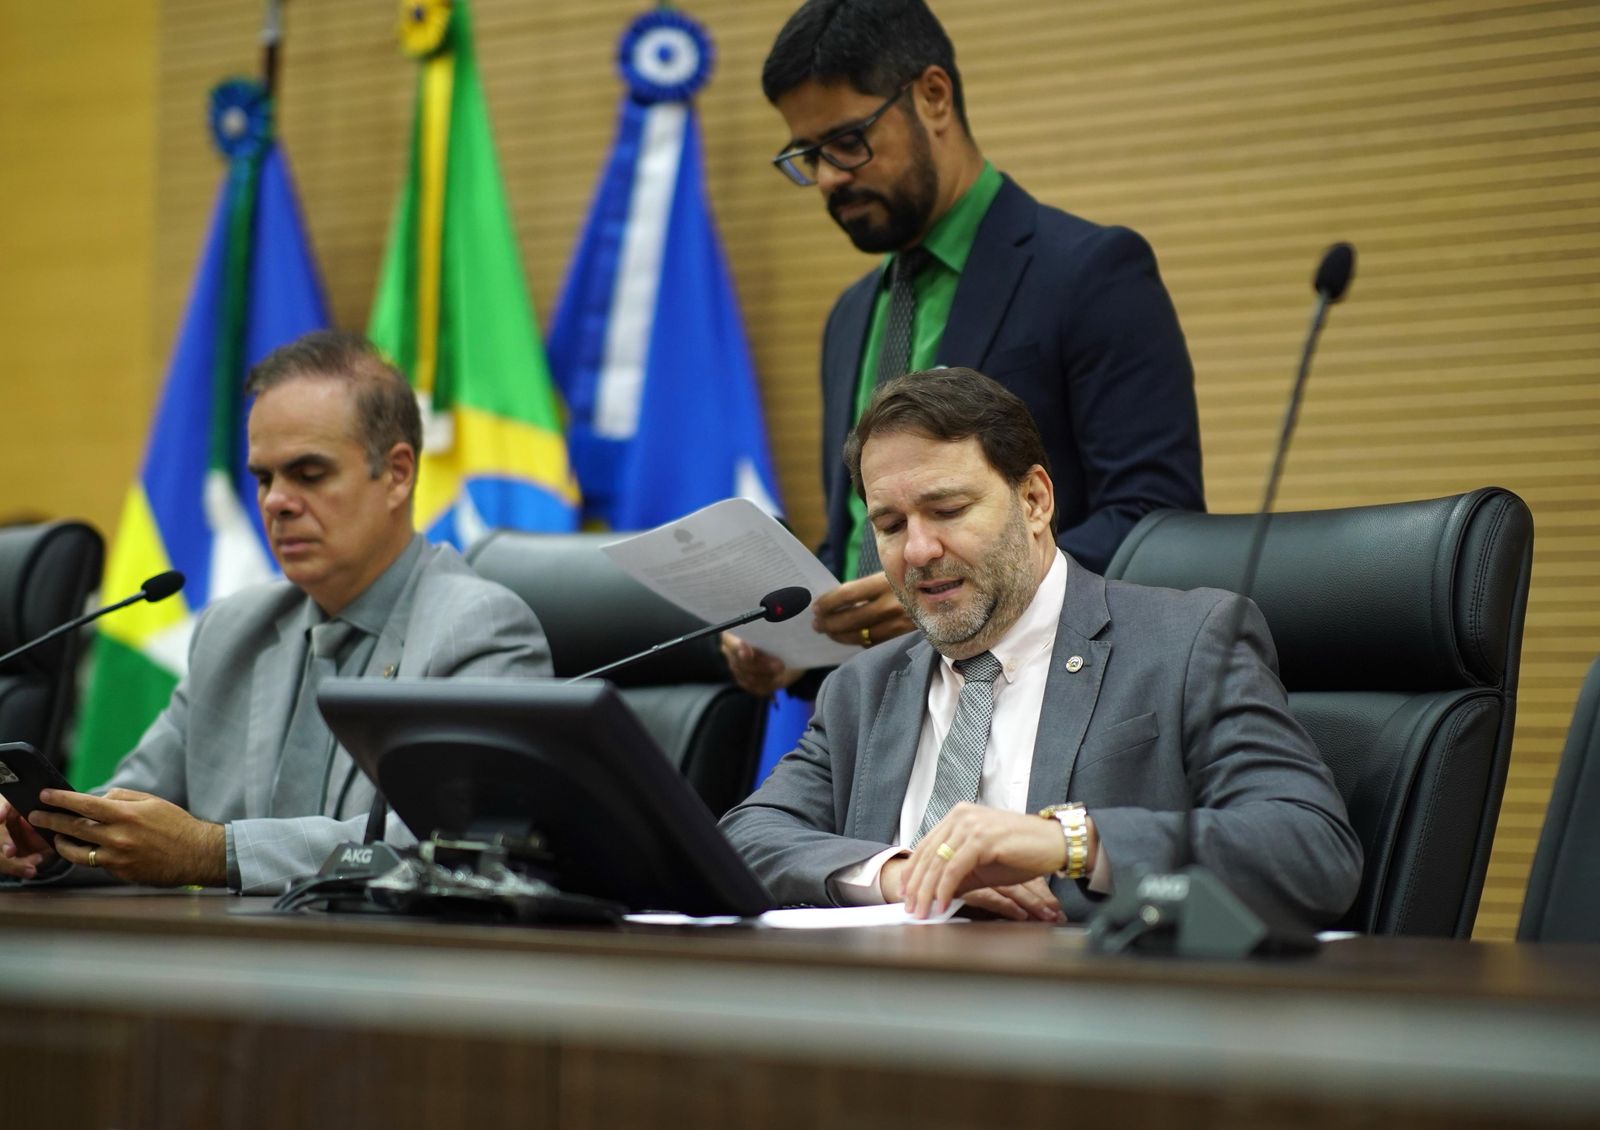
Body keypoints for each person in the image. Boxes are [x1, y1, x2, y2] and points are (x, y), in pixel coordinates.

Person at [719, 368, 1360, 927]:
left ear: (1034, 501)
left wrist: (1067, 840)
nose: (917, 550)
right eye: (890, 525)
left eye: (948, 510)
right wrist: (900, 874)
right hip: (886, 1006)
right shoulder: (864, 685)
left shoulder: (1188, 642)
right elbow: (743, 838)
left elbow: (1313, 851)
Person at [723, 0, 1205, 698]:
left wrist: (952, 585)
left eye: (848, 141)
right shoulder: (851, 315)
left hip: (1048, 700)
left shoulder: (1090, 273)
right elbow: (856, 539)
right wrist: (797, 643)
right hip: (872, 715)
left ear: (933, 96)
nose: (828, 177)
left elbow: (1157, 523)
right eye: (808, 155)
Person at [0, 331, 553, 894]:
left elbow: (454, 843)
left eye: (308, 474)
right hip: (233, 946)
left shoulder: (477, 628)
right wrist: (48, 837)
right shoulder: (234, 629)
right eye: (264, 478)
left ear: (397, 474)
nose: (275, 502)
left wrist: (214, 853)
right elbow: (135, 807)